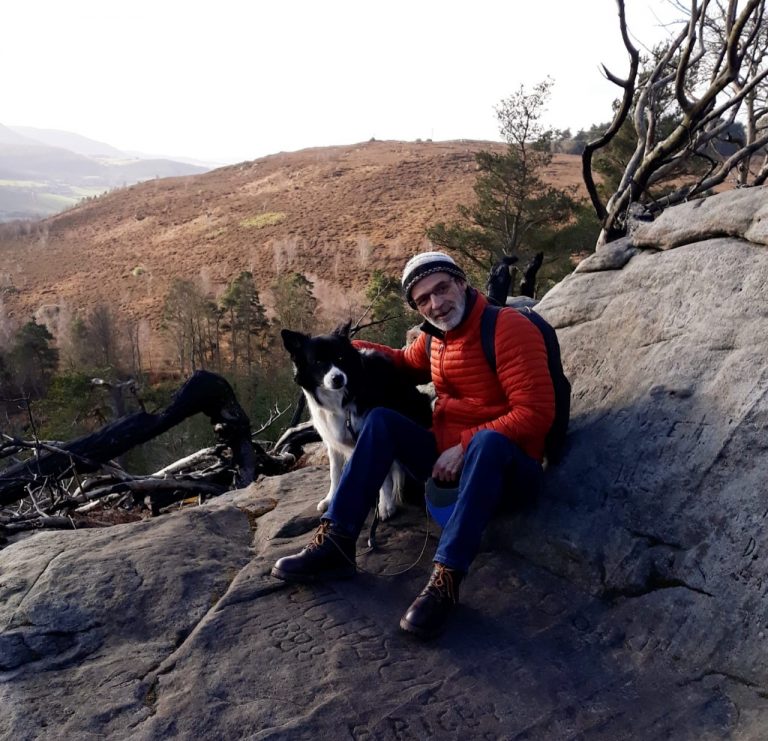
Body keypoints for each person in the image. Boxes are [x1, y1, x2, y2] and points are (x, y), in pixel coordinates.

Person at [271, 251, 555, 639]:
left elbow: (536, 413)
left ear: (461, 282)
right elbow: (404, 361)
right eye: (423, 299)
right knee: (381, 420)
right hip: (444, 465)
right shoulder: (436, 337)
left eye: (441, 289)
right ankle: (336, 543)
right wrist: (336, 349)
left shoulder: (507, 329)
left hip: (507, 470)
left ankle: (446, 580)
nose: (436, 304)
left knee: (487, 442)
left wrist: (466, 446)